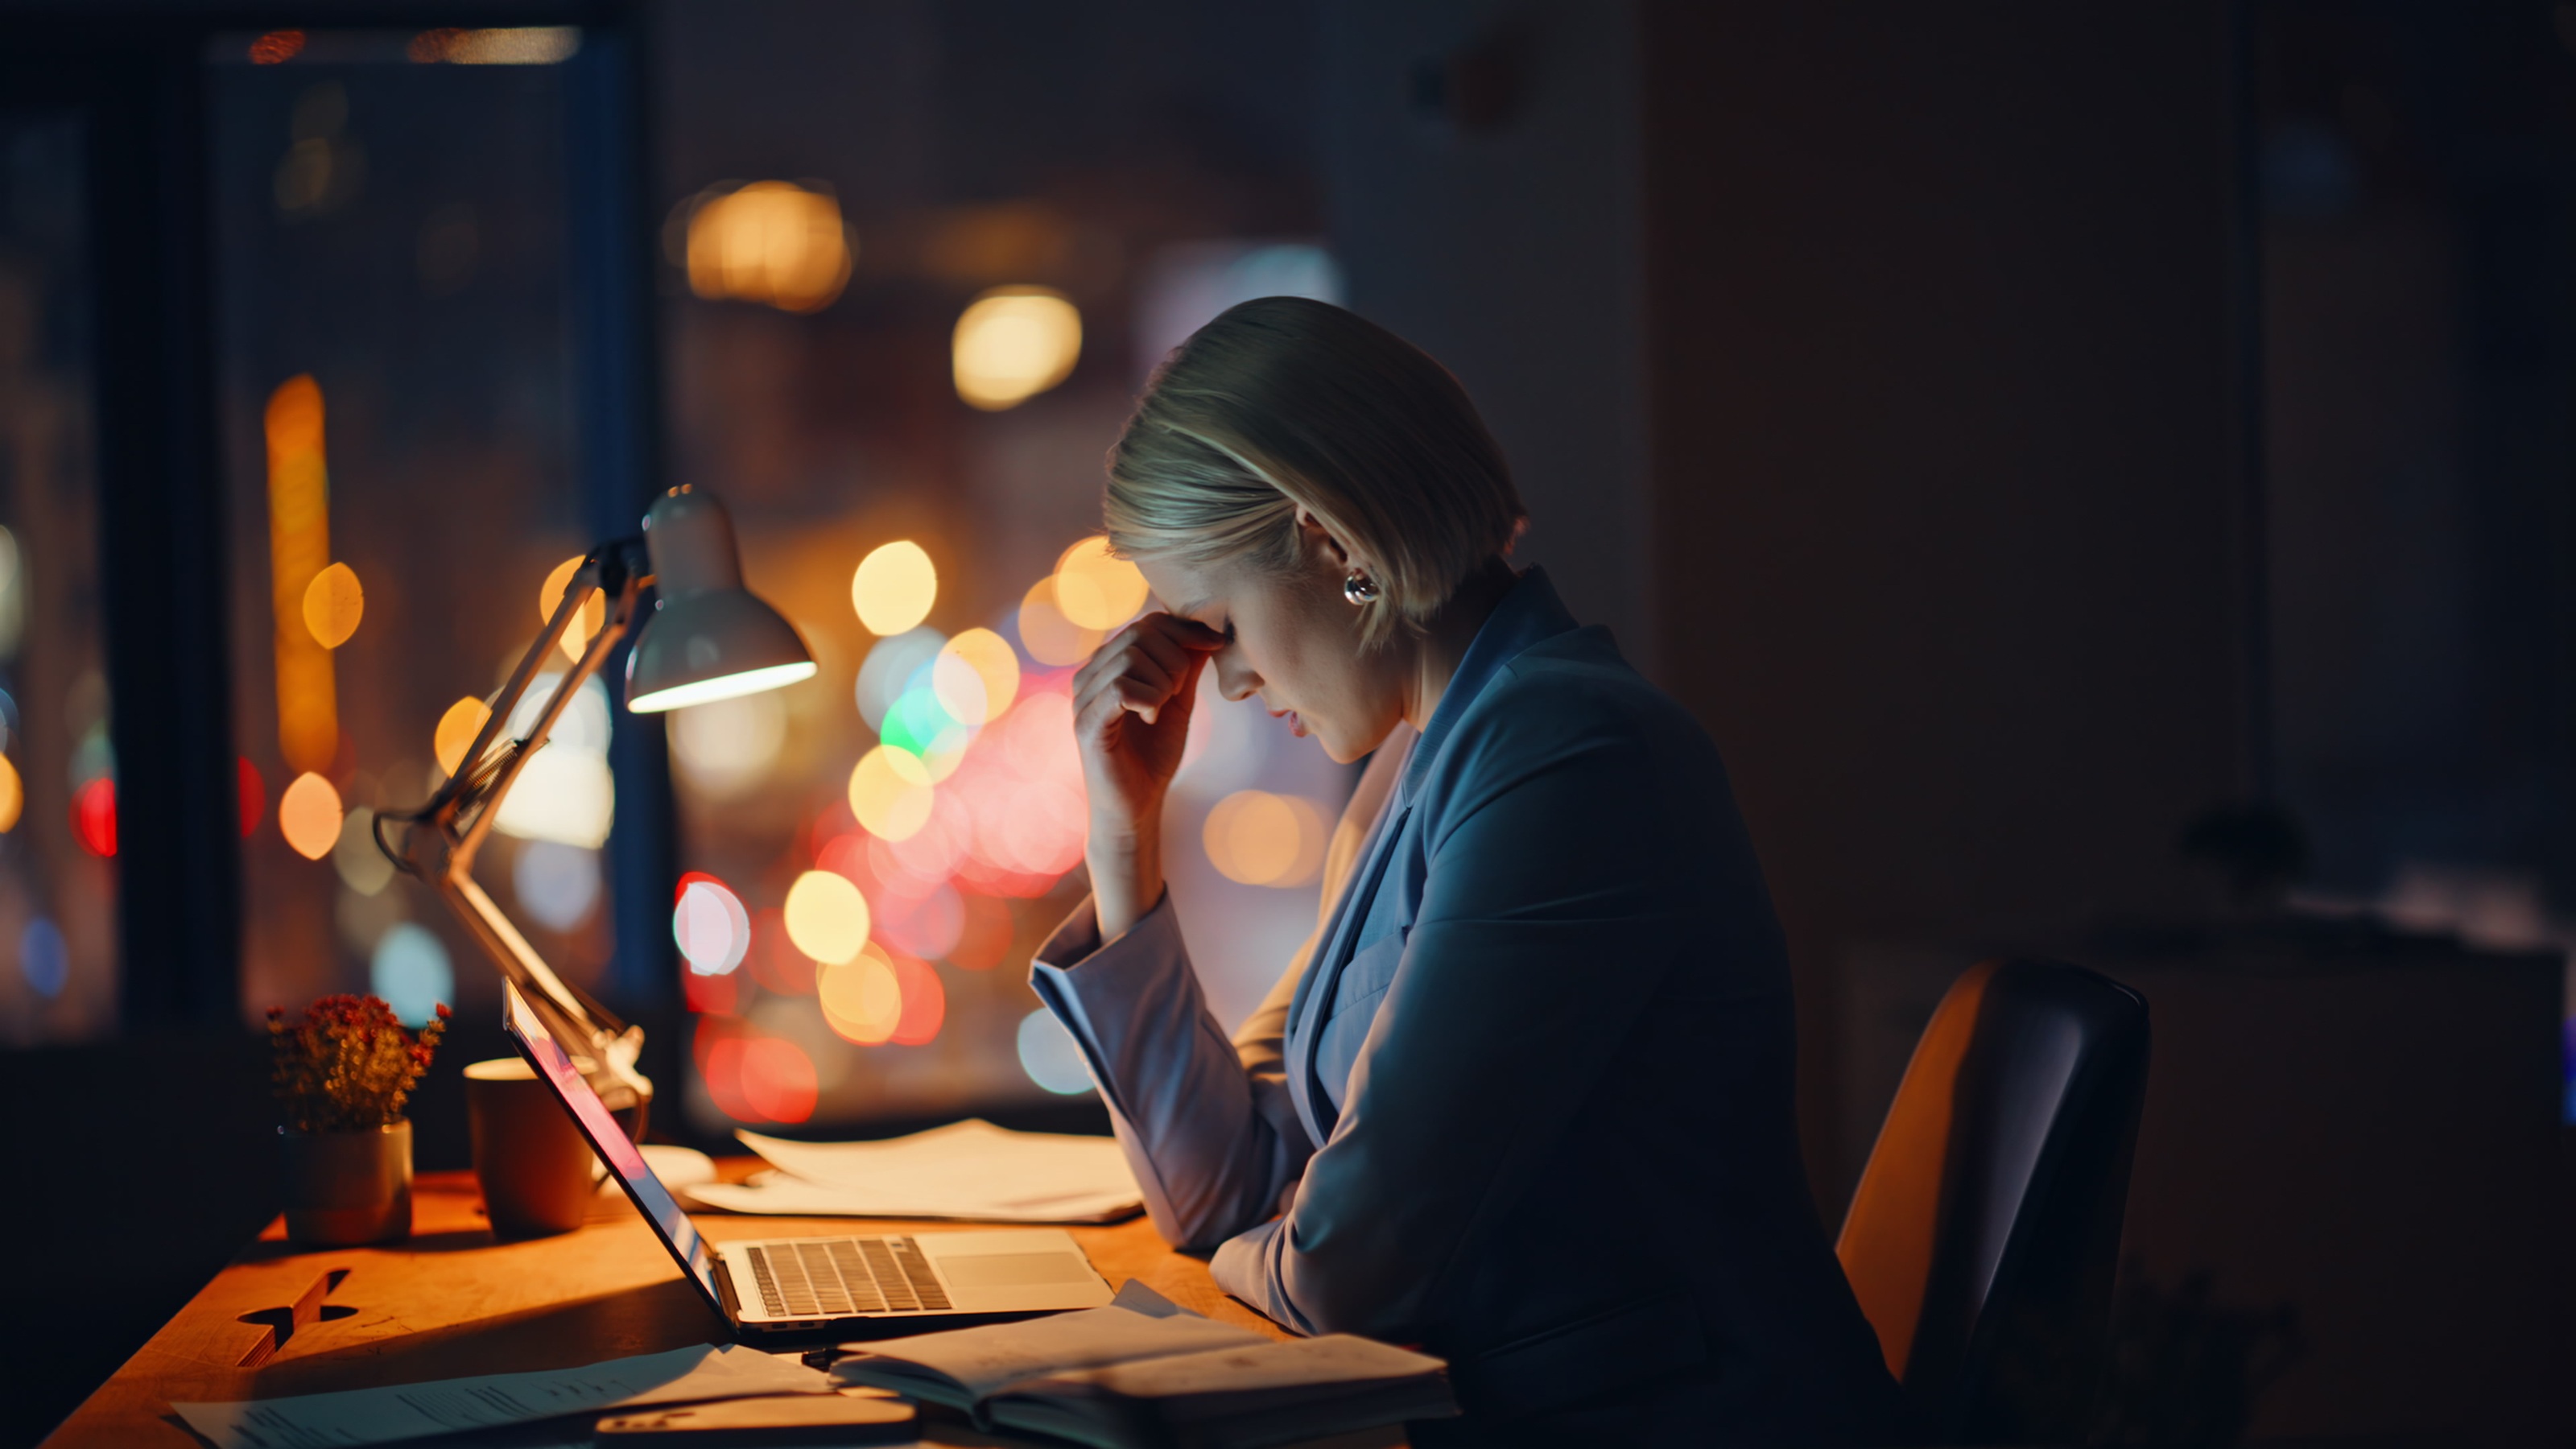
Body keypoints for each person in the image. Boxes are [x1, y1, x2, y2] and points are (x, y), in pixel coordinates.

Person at [1030, 297, 1906, 1444]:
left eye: (1221, 628)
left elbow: (1347, 1278)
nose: (1225, 686)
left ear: (1328, 540)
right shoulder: (1422, 766)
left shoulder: (1567, 758)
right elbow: (1230, 1194)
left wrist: (1288, 1241)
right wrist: (1121, 834)